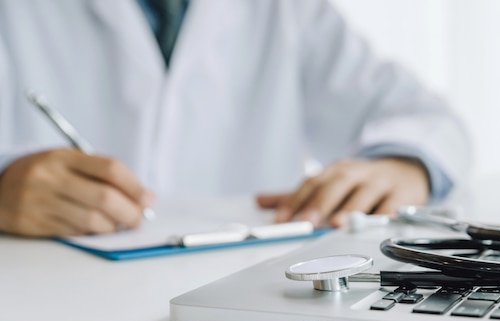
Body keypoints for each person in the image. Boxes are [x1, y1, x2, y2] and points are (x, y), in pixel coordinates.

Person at [0, 0, 470, 237]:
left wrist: (402, 164)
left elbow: (430, 119)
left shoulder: (286, 10)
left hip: (248, 304)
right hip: (46, 310)